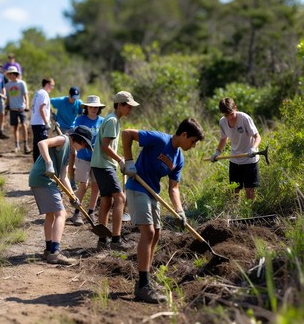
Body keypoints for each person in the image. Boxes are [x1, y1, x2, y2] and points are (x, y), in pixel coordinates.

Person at [122, 118, 205, 304]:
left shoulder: (179, 158)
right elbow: (127, 133)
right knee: (148, 232)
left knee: (157, 234)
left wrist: (180, 211)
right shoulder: (159, 139)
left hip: (153, 193)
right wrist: (128, 162)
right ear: (184, 135)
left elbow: (173, 188)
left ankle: (146, 278)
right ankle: (143, 286)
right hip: (137, 187)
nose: (192, 146)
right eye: (192, 141)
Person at [28, 125, 93, 265]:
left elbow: (63, 176)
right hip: (43, 178)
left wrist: (72, 195)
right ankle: (55, 253)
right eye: (85, 145)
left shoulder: (69, 152)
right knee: (61, 214)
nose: (84, 148)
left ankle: (49, 249)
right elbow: (42, 143)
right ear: (79, 140)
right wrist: (49, 163)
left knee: (51, 215)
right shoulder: (63, 139)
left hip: (43, 180)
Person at [91, 91, 139, 251]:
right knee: (120, 199)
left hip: (100, 164)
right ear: (120, 105)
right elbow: (105, 147)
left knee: (106, 200)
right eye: (128, 107)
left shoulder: (112, 119)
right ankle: (116, 240)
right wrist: (120, 160)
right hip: (104, 165)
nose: (130, 110)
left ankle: (102, 240)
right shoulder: (112, 121)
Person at [209, 97, 261, 200]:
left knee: (249, 191)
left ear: (235, 108)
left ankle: (251, 213)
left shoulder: (245, 118)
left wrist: (253, 149)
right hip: (235, 159)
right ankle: (235, 213)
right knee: (234, 190)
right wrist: (217, 152)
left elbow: (257, 137)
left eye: (231, 114)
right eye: (226, 115)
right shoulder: (222, 122)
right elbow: (224, 139)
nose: (229, 118)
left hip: (249, 158)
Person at [70, 95, 105, 226]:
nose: (94, 109)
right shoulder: (80, 120)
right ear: (87, 107)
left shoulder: (102, 121)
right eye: (91, 107)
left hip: (97, 158)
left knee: (96, 186)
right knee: (83, 185)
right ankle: (77, 212)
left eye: (96, 107)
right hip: (83, 157)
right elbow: (74, 136)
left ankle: (91, 212)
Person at [51, 86, 84, 187]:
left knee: (72, 154)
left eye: (76, 97)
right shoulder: (61, 101)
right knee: (62, 153)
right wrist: (52, 116)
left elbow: (81, 113)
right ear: (69, 95)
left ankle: (72, 180)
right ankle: (58, 179)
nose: (74, 99)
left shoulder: (78, 103)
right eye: (73, 97)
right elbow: (47, 102)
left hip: (72, 129)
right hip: (61, 128)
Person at [5, 66, 31, 154]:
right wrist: (7, 104)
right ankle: (17, 146)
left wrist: (27, 105)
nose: (9, 76)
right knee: (15, 127)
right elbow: (8, 96)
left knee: (24, 125)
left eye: (10, 74)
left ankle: (26, 145)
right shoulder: (8, 85)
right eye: (8, 74)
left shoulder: (21, 83)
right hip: (13, 108)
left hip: (21, 108)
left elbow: (26, 95)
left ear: (14, 74)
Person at [31, 77, 55, 162]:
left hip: (35, 122)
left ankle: (36, 164)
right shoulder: (44, 93)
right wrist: (46, 122)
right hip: (40, 123)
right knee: (42, 145)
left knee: (37, 144)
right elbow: (41, 108)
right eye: (52, 85)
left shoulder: (38, 92)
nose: (52, 88)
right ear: (47, 84)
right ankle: (39, 165)